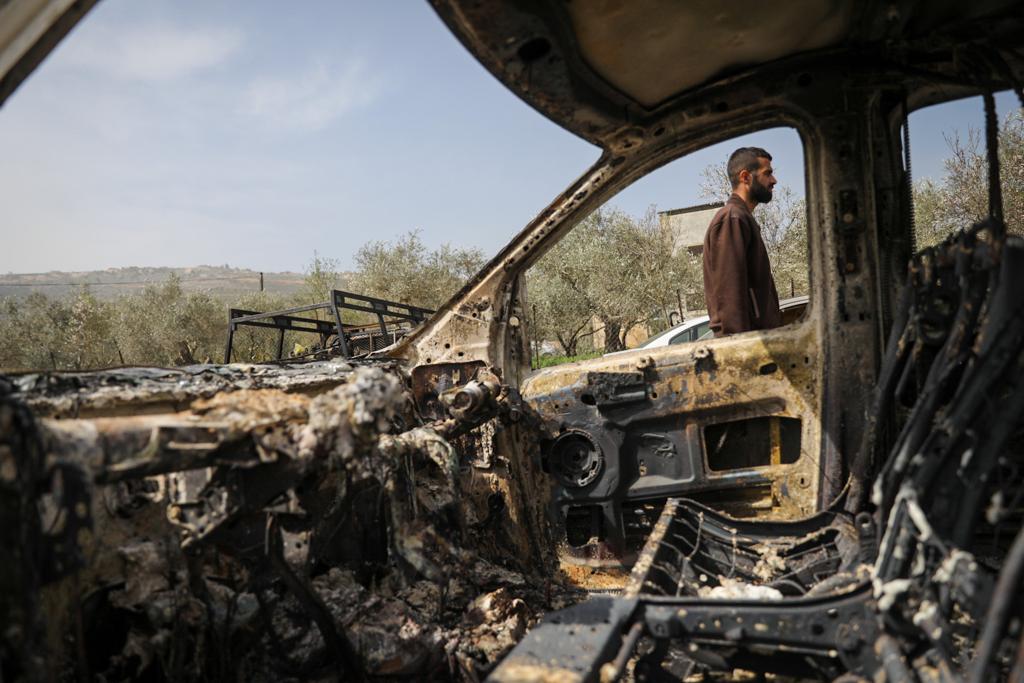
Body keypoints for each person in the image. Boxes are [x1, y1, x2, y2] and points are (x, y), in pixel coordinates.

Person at [702, 147, 782, 336]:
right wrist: (740, 351)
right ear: (745, 177)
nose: (774, 181)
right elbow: (729, 296)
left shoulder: (741, 218)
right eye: (767, 173)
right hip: (745, 346)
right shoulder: (733, 219)